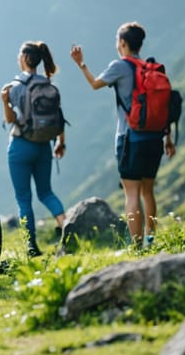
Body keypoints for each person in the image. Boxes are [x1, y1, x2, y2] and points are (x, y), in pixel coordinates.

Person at [70, 22, 175, 247]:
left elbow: (95, 84)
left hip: (130, 138)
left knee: (132, 194)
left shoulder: (120, 66)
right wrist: (168, 138)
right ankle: (151, 237)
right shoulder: (151, 68)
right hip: (155, 138)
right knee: (148, 191)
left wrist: (81, 65)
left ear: (123, 43)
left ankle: (137, 245)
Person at [1, 41, 66, 257]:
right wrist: (60, 142)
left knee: (23, 198)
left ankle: (31, 247)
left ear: (24, 58)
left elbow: (10, 120)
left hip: (20, 146)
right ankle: (66, 229)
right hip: (44, 146)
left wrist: (4, 101)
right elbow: (58, 116)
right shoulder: (47, 84)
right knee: (46, 192)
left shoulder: (16, 87)